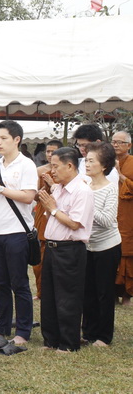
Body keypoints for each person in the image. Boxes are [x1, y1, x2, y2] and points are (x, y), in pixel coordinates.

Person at [0, 120, 38, 351]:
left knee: (19, 283)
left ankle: (23, 331)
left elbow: (28, 197)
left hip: (17, 231)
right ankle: (1, 327)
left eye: (4, 138)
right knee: (0, 283)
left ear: (17, 140)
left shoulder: (27, 165)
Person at [37, 147, 94, 352]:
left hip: (70, 249)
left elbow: (74, 224)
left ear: (69, 165)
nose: (52, 171)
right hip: (52, 247)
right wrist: (51, 205)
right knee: (49, 296)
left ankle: (68, 343)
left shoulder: (82, 191)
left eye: (55, 166)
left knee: (68, 297)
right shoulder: (59, 188)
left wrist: (53, 208)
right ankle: (51, 340)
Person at [81, 142, 121, 347]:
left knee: (104, 292)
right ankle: (88, 332)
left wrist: (87, 204)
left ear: (104, 165)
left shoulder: (110, 188)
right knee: (87, 291)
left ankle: (104, 336)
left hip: (108, 246)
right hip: (87, 245)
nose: (87, 164)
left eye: (91, 161)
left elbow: (107, 220)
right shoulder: (84, 186)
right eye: (86, 160)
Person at [32, 139, 63, 299]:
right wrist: (46, 186)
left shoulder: (65, 172)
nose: (50, 154)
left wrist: (53, 184)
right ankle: (40, 291)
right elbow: (35, 196)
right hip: (42, 214)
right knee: (40, 257)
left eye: (53, 151)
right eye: (48, 151)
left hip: (59, 213)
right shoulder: (40, 171)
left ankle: (56, 291)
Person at [113, 130, 133, 305]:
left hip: (128, 214)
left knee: (127, 252)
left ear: (129, 145)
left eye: (120, 142)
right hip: (111, 212)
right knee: (111, 252)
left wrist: (120, 176)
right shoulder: (106, 162)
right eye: (114, 142)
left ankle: (127, 294)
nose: (116, 145)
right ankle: (112, 293)